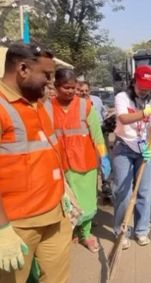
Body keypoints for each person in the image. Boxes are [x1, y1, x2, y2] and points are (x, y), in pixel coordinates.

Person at [0, 43, 71, 283]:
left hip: (55, 217)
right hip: (17, 226)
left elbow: (48, 153)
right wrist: (2, 230)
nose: (51, 83)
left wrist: (64, 192)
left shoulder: (38, 104)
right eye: (46, 75)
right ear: (22, 69)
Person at [48, 68, 111, 253]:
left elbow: (98, 136)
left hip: (86, 164)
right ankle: (71, 231)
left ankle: (86, 234)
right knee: (67, 203)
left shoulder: (86, 106)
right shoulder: (48, 107)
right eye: (66, 87)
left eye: (73, 88)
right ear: (57, 86)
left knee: (87, 202)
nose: (70, 91)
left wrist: (104, 157)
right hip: (61, 165)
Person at [112, 65, 151, 249]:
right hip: (124, 147)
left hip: (144, 149)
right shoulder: (122, 97)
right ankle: (121, 230)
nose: (144, 91)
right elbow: (124, 118)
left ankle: (141, 230)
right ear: (134, 82)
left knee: (144, 191)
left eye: (147, 88)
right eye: (141, 86)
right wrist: (145, 113)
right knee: (124, 193)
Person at [80, 81, 113, 199]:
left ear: (90, 90)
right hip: (87, 136)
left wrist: (108, 121)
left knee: (105, 158)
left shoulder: (97, 100)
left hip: (101, 133)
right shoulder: (77, 104)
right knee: (92, 162)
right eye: (81, 91)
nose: (84, 93)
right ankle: (91, 188)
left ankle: (106, 184)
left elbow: (104, 114)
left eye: (86, 90)